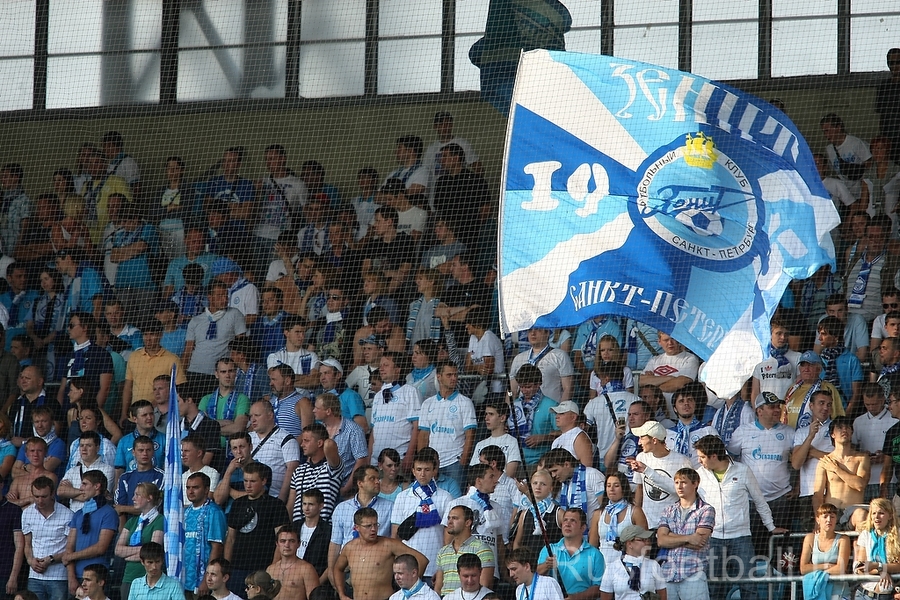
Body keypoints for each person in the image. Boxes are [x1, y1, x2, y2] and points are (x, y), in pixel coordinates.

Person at [693, 435, 785, 600]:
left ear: (713, 456)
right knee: (714, 587)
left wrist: (771, 526)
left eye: (702, 457)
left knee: (748, 585)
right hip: (712, 538)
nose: (699, 461)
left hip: (741, 537)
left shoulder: (743, 470)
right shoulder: (699, 475)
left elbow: (759, 500)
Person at [332, 507, 428, 600]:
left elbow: (422, 560)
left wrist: (411, 589)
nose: (373, 529)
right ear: (357, 527)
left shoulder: (389, 544)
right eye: (368, 526)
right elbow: (338, 569)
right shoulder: (349, 548)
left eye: (375, 525)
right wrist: (341, 594)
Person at [224, 462, 290, 595]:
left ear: (263, 481)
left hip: (262, 569)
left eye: (253, 481)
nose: (248, 485)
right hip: (237, 569)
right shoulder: (237, 504)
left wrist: (273, 568)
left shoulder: (275, 505)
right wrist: (226, 567)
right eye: (245, 481)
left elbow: (281, 541)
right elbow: (230, 539)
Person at [390, 448, 453, 581]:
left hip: (435, 565)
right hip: (408, 567)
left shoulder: (445, 497)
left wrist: (443, 567)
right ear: (413, 471)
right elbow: (395, 535)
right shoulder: (402, 497)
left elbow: (449, 536)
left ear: (434, 471)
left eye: (427, 469)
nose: (422, 474)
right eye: (419, 469)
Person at [656, 468, 714, 600]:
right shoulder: (668, 510)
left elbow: (698, 543)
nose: (679, 486)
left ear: (695, 483)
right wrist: (689, 538)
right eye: (676, 482)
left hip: (693, 575)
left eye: (684, 482)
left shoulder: (706, 510)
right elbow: (661, 541)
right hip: (668, 575)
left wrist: (671, 536)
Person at [327, 465, 394, 573]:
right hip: (346, 567)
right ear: (360, 483)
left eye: (378, 478)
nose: (377, 482)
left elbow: (394, 539)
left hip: (376, 567)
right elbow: (335, 543)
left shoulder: (390, 507)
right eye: (372, 478)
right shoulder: (342, 508)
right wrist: (331, 571)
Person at [184, 281, 247, 391]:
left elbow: (242, 345)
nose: (224, 299)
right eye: (219, 295)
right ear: (210, 297)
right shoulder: (195, 320)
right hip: (194, 372)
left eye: (225, 295)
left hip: (221, 373)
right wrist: (182, 374)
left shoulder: (234, 314)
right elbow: (188, 351)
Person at [629, 420, 691, 532]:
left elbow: (685, 493)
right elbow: (639, 488)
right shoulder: (641, 458)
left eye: (642, 438)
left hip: (673, 525)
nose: (639, 442)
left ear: (654, 440)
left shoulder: (681, 461)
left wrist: (647, 471)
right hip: (647, 524)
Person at [61, 471, 117, 595]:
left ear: (97, 486)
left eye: (84, 484)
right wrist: (71, 577)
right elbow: (69, 548)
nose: (81, 488)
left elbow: (101, 548)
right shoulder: (78, 514)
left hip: (97, 577)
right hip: (77, 576)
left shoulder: (109, 513)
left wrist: (72, 556)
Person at [812, 417, 870, 529]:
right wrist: (818, 519)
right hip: (831, 512)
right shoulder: (825, 461)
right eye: (839, 427)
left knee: (862, 515)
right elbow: (818, 495)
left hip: (854, 511)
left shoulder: (862, 458)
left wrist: (836, 469)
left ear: (852, 432)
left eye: (847, 427)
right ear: (832, 434)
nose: (844, 430)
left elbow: (860, 485)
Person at [537, 507, 605, 600]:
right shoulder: (548, 550)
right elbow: (536, 579)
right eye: (565, 520)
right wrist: (546, 565)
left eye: (573, 521)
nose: (567, 524)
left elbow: (599, 589)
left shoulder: (595, 554)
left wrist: (574, 598)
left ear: (583, 528)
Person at [22, 477, 72, 600]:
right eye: (36, 496)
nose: (40, 500)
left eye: (44, 496)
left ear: (52, 493)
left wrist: (51, 559)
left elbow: (71, 548)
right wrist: (30, 560)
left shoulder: (67, 514)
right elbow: (27, 544)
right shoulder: (27, 513)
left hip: (59, 576)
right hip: (34, 575)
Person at [370, 352, 421, 471]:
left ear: (398, 369)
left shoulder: (410, 392)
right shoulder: (378, 396)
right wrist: (369, 458)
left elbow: (417, 427)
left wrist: (409, 456)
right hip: (376, 462)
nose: (381, 369)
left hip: (399, 460)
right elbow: (373, 431)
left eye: (386, 365)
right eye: (380, 365)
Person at [114, 482, 163, 600]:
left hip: (148, 577)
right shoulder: (132, 522)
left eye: (137, 495)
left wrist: (127, 556)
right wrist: (143, 550)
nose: (133, 498)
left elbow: (152, 552)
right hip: (128, 577)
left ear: (149, 498)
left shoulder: (160, 520)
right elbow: (118, 550)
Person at [311, 392, 368, 492]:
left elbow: (361, 461)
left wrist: (346, 489)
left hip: (344, 487)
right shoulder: (318, 430)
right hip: (320, 487)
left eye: (317, 408)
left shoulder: (353, 430)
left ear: (328, 411)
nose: (313, 410)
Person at [589, 470, 648, 565]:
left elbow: (645, 543)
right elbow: (592, 546)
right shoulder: (598, 514)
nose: (611, 489)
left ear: (623, 488)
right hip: (602, 565)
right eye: (608, 486)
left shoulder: (635, 512)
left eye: (616, 486)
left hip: (628, 565)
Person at [433, 505, 494, 596]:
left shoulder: (482, 549)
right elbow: (438, 588)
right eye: (449, 518)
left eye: (455, 518)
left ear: (467, 523)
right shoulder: (443, 552)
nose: (449, 522)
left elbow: (484, 585)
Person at [286, 423, 342, 522]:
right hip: (298, 526)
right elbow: (291, 504)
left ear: (320, 443)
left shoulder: (331, 468)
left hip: (322, 527)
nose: (302, 445)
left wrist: (325, 438)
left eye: (306, 441)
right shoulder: (298, 470)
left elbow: (329, 444)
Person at [248, 399, 301, 503]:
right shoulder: (247, 438)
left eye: (257, 415)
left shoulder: (287, 440)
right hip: (247, 496)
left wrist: (280, 501)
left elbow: (292, 470)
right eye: (251, 416)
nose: (252, 420)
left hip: (272, 498)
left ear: (270, 416)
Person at [598, 524, 668, 600]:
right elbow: (605, 597)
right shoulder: (612, 568)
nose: (646, 543)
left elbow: (662, 594)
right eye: (642, 540)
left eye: (646, 540)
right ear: (629, 544)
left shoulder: (653, 565)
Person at [184, 472, 226, 594]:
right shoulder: (185, 512)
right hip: (184, 578)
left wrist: (207, 579)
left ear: (207, 490)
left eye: (195, 487)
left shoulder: (214, 512)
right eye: (188, 487)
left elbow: (217, 547)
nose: (190, 491)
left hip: (202, 580)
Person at [799, 503, 851, 600]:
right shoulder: (810, 538)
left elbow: (840, 569)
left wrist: (816, 571)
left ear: (836, 519)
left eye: (832, 517)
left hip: (838, 592)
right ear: (817, 519)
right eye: (825, 516)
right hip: (817, 592)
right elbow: (803, 568)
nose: (829, 520)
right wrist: (826, 566)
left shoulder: (843, 539)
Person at [509, 327, 574, 404]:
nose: (533, 333)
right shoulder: (519, 358)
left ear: (547, 333)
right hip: (523, 409)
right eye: (530, 330)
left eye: (538, 330)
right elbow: (512, 390)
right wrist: (508, 409)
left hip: (551, 408)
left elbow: (568, 388)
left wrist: (561, 409)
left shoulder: (560, 355)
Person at [198, 357, 251, 451]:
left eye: (230, 371)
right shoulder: (205, 399)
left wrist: (210, 427)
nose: (227, 375)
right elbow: (200, 427)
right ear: (216, 374)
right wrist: (223, 424)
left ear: (236, 373)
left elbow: (238, 428)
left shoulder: (243, 399)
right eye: (223, 372)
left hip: (232, 451)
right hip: (207, 451)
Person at [543, 448, 605, 524]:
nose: (553, 475)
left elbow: (605, 506)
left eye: (555, 471)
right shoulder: (563, 484)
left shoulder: (592, 474)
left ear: (567, 464)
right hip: (574, 530)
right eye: (551, 472)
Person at [114, 436, 164, 530]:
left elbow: (153, 507)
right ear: (133, 452)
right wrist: (123, 533)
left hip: (152, 527)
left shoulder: (161, 476)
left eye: (148, 450)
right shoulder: (125, 478)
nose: (145, 454)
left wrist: (124, 508)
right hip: (128, 527)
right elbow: (119, 510)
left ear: (153, 452)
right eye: (141, 450)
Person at [854, 497, 900, 599]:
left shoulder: (898, 535)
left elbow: (898, 566)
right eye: (873, 513)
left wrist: (878, 566)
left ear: (890, 516)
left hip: (886, 595)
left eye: (881, 513)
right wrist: (881, 571)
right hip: (863, 594)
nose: (876, 517)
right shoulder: (866, 534)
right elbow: (860, 567)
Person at [665, 383, 719, 469]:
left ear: (695, 405)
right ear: (675, 409)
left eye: (689, 400)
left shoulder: (708, 430)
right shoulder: (667, 434)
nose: (686, 403)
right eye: (681, 401)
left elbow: (719, 458)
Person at [58, 431, 114, 513]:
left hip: (96, 515)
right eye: (81, 445)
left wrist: (71, 492)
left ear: (97, 448)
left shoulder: (108, 469)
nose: (84, 449)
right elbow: (60, 491)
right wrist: (88, 493)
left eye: (89, 445)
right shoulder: (72, 471)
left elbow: (100, 496)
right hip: (74, 516)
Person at [640, 332, 699, 408]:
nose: (670, 343)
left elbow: (680, 383)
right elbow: (641, 381)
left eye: (673, 339)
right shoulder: (654, 360)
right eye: (666, 340)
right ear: (659, 342)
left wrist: (653, 383)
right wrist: (670, 378)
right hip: (656, 411)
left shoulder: (690, 358)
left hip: (677, 410)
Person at [266, 526, 318, 600]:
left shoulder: (306, 569)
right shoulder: (270, 569)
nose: (287, 545)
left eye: (292, 541)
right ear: (277, 544)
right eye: (283, 541)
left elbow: (315, 598)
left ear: (298, 544)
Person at [292, 489, 330, 583]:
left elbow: (331, 564)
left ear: (321, 506)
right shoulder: (294, 526)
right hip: (291, 577)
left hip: (316, 579)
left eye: (311, 504)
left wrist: (317, 584)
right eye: (304, 504)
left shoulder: (328, 531)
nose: (306, 508)